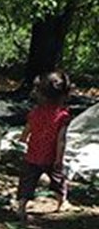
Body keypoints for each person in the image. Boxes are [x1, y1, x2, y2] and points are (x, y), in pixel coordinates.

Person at [17, 70, 72, 218]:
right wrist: (59, 159)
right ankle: (62, 202)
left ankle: (21, 206)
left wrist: (22, 140)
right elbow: (61, 140)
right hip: (51, 156)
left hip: (32, 155)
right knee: (58, 180)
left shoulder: (35, 112)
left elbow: (28, 128)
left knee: (27, 182)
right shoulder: (62, 116)